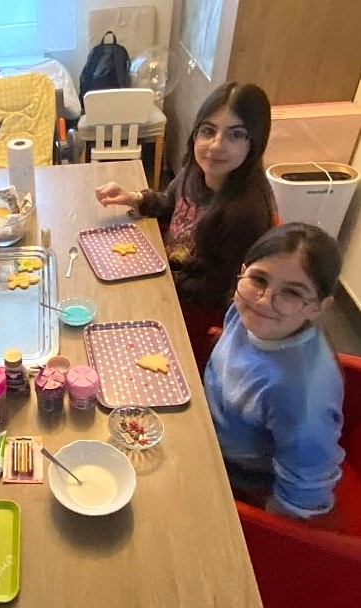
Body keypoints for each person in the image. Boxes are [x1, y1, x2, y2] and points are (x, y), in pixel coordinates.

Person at [95, 83, 276, 369]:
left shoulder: (245, 214)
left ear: (255, 142)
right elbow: (170, 203)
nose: (216, 145)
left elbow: (214, 294)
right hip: (169, 281)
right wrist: (134, 198)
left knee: (108, 331)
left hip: (193, 317)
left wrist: (154, 281)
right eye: (208, 131)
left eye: (235, 135)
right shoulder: (198, 170)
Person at [204, 222, 344, 519]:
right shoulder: (249, 309)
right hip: (205, 428)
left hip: (240, 477)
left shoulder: (299, 394)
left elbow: (304, 496)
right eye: (258, 279)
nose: (265, 300)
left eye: (292, 292)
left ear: (318, 307)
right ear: (244, 272)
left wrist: (258, 528)